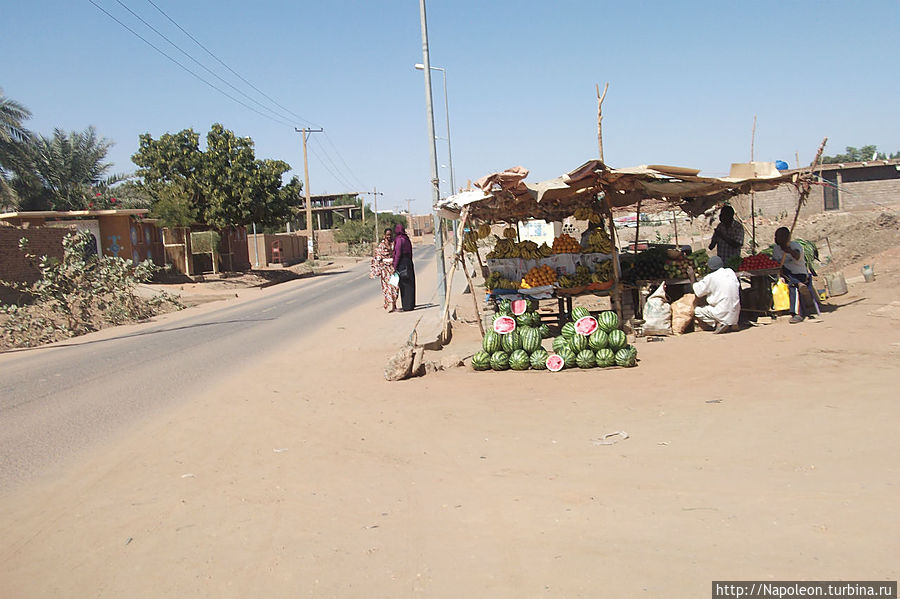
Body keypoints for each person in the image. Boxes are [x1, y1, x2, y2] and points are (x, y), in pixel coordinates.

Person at [692, 255, 740, 333]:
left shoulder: (710, 277)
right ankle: (732, 324)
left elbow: (698, 292)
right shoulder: (730, 272)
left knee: (697, 311)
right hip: (735, 313)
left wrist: (692, 276)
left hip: (721, 311)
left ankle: (719, 323)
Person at [772, 227, 810, 324]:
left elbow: (797, 256)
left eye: (779, 237)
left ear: (787, 237)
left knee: (793, 286)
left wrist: (789, 250)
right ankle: (798, 284)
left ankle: (797, 314)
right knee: (788, 276)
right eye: (775, 236)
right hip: (785, 274)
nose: (776, 239)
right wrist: (779, 276)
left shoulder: (795, 246)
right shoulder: (776, 249)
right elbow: (776, 264)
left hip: (799, 274)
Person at [369, 228, 398, 312]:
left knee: (395, 286)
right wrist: (376, 270)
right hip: (385, 270)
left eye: (390, 235)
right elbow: (377, 258)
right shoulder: (381, 246)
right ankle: (390, 305)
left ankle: (394, 305)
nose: (389, 236)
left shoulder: (394, 244)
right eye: (387, 235)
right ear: (384, 235)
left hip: (393, 268)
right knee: (387, 287)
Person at [392, 222, 416, 311]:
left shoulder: (399, 240)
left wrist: (395, 266)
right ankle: (411, 304)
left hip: (402, 263)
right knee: (410, 283)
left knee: (404, 284)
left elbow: (398, 254)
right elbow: (410, 252)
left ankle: (406, 306)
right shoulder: (406, 239)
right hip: (408, 262)